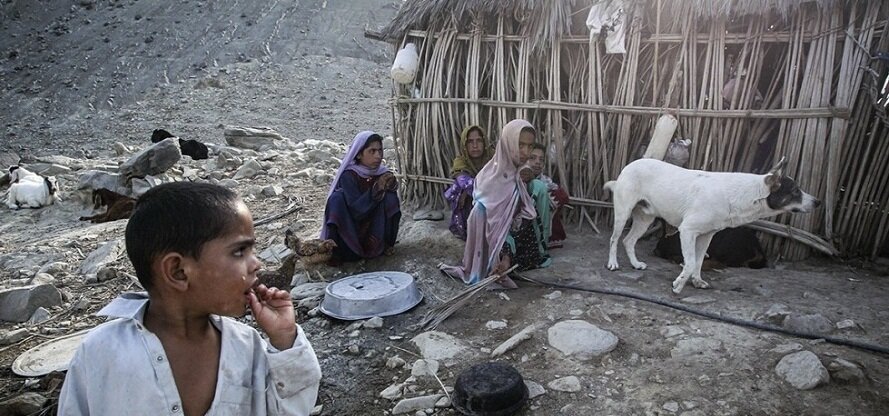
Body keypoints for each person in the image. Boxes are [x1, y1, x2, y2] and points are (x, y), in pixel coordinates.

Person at [59, 182, 322, 415]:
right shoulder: (101, 352)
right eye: (240, 251)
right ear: (178, 272)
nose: (258, 264)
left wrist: (285, 339)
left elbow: (290, 409)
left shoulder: (248, 346)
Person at [439, 119, 551, 289]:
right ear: (508, 143)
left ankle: (510, 259)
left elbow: (522, 216)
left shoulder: (517, 172)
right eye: (520, 145)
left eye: (529, 146)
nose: (526, 152)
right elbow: (491, 226)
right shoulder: (491, 178)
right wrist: (505, 255)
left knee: (535, 196)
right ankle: (501, 262)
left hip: (512, 239)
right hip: (492, 241)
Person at [322, 131, 401, 263]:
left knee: (390, 198)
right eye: (372, 151)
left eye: (380, 150)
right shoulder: (349, 176)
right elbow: (357, 210)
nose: (378, 156)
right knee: (336, 199)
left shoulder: (382, 174)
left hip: (375, 230)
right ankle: (338, 253)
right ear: (359, 154)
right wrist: (376, 189)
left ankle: (385, 245)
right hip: (351, 232)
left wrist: (390, 185)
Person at [444, 125, 493, 240]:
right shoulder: (460, 161)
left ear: (484, 142)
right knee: (459, 188)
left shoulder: (493, 157)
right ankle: (465, 228)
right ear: (465, 145)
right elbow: (464, 182)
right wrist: (465, 191)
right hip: (471, 200)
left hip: (491, 199)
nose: (475, 146)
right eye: (470, 142)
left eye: (479, 141)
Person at [527, 143, 570, 248]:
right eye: (532, 158)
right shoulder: (516, 180)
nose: (537, 162)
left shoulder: (544, 180)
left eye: (541, 160)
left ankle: (546, 236)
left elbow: (563, 195)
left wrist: (545, 198)